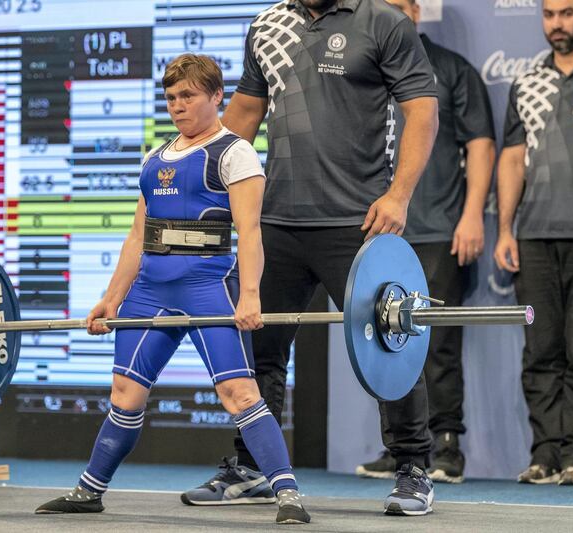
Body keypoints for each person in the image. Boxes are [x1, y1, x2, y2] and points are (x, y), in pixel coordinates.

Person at [181, 0, 440, 516]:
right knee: (259, 347)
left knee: (390, 345)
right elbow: (246, 114)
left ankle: (413, 468)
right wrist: (201, 185)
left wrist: (399, 195)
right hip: (277, 220)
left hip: (357, 219)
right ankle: (254, 466)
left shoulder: (383, 22)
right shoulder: (267, 25)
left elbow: (421, 111)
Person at [34, 53, 311, 524]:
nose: (178, 106)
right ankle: (89, 491)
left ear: (216, 96)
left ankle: (287, 495)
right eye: (171, 97)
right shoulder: (154, 157)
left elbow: (251, 231)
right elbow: (137, 236)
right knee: (124, 391)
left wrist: (250, 296)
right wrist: (112, 298)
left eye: (188, 95)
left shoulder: (234, 152)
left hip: (208, 286)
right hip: (151, 290)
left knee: (239, 394)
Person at [357, 0, 496, 484]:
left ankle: (448, 447)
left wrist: (473, 214)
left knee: (437, 344)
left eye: (400, 6)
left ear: (417, 10)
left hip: (439, 229)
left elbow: (480, 143)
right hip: (380, 230)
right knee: (384, 344)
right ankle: (401, 449)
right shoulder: (364, 66)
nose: (394, 14)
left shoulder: (453, 69)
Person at [495, 0, 573, 486]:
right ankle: (544, 455)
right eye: (548, 14)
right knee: (540, 352)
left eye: (567, 13)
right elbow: (511, 157)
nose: (557, 24)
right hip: (534, 239)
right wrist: (505, 227)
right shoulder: (528, 80)